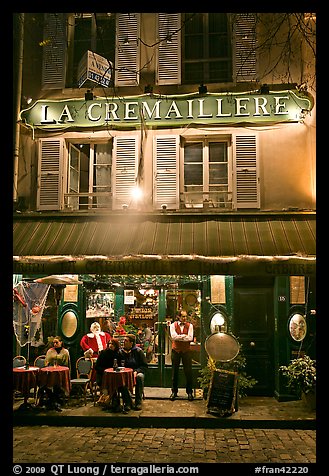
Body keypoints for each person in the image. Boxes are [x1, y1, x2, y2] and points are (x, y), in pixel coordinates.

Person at [118, 334, 148, 412]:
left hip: (136, 372)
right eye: (123, 340)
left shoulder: (138, 351)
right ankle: (127, 402)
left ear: (131, 343)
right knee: (120, 378)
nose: (124, 342)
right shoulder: (120, 352)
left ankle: (138, 402)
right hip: (124, 373)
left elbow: (144, 366)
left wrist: (136, 371)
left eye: (126, 341)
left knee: (140, 377)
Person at [169, 310, 194, 401]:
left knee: (188, 372)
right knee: (174, 372)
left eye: (185, 317)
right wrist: (184, 336)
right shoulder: (172, 325)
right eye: (183, 316)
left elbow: (190, 338)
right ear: (178, 317)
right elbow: (173, 337)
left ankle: (189, 392)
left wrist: (180, 337)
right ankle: (174, 392)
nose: (185, 318)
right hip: (176, 351)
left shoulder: (190, 326)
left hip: (186, 351)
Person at [40, 336, 70, 411]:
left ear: (61, 342)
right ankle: (52, 400)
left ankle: (55, 401)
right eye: (54, 343)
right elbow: (46, 362)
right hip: (50, 373)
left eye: (57, 342)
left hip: (60, 373)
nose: (55, 344)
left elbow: (66, 363)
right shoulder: (50, 351)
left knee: (57, 384)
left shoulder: (65, 352)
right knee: (46, 384)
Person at [95, 338, 121, 410]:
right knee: (108, 383)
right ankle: (112, 400)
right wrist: (105, 371)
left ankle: (110, 400)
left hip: (114, 375)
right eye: (109, 343)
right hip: (103, 375)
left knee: (115, 382)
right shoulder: (103, 353)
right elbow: (97, 366)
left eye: (112, 344)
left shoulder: (118, 354)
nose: (111, 345)